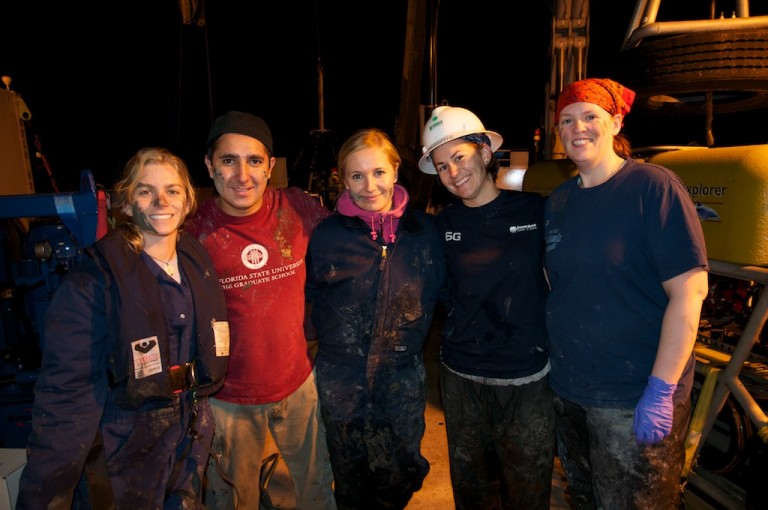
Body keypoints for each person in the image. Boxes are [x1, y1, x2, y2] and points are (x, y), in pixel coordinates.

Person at [17, 147, 230, 509]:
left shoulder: (196, 260)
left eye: (172, 190)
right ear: (127, 205)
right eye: (146, 191)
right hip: (129, 440)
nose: (161, 201)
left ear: (188, 200)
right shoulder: (93, 282)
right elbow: (65, 398)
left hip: (192, 425)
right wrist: (43, 495)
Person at [543, 77, 709, 509]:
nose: (577, 128)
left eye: (590, 117)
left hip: (631, 396)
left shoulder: (653, 188)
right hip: (571, 391)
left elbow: (690, 293)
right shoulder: (559, 201)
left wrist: (661, 389)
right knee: (584, 499)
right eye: (566, 120)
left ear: (615, 123)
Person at [184, 111, 337, 510]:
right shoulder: (192, 235)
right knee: (235, 501)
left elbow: (350, 244)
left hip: (299, 385)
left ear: (270, 166)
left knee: (318, 491)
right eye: (228, 160)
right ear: (209, 165)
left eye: (254, 161)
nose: (242, 174)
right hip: (229, 398)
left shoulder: (299, 209)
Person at [418, 106, 556, 509]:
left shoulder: (534, 211)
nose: (452, 173)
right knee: (473, 491)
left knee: (528, 492)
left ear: (482, 151)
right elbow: (440, 291)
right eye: (442, 167)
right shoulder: (441, 227)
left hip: (527, 377)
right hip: (463, 377)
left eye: (458, 158)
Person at [305, 128, 446, 509]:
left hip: (401, 374)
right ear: (343, 178)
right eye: (356, 175)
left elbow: (449, 292)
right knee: (349, 476)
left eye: (379, 172)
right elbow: (309, 295)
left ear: (395, 171)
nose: (369, 186)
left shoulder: (425, 232)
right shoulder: (327, 235)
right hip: (341, 376)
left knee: (401, 470)